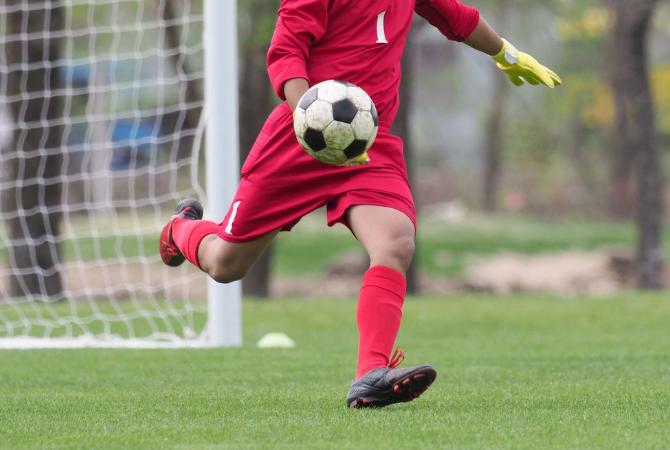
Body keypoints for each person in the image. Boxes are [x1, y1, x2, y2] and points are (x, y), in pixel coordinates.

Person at [159, 0, 560, 409]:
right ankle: (180, 230)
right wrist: (311, 120)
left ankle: (370, 375)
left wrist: (507, 54)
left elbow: (454, 16)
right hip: (301, 139)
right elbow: (286, 52)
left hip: (368, 142)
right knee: (226, 264)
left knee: (395, 241)